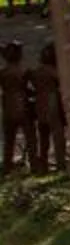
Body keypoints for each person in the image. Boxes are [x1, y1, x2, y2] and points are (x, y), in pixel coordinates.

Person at [0, 43, 21, 175]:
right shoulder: (24, 72)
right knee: (31, 138)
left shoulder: (3, 73)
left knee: (9, 139)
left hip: (8, 106)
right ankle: (37, 165)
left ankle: (7, 166)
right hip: (22, 105)